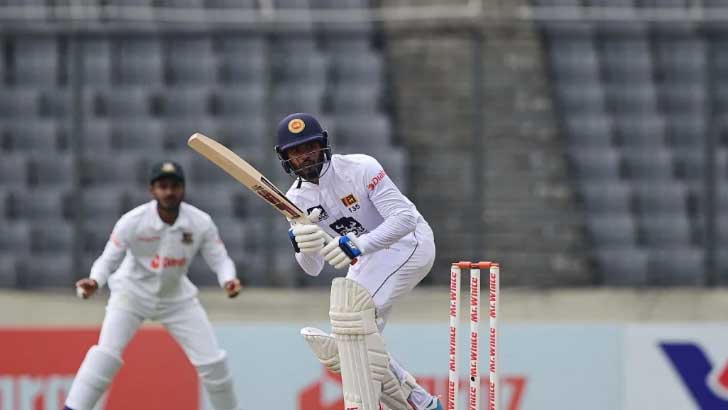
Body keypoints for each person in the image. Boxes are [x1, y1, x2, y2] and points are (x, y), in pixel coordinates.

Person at [277, 113, 442, 410]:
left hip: (410, 244)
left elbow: (404, 219)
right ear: (286, 158)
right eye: (296, 151)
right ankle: (421, 402)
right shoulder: (295, 201)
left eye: (310, 146)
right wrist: (303, 244)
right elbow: (312, 268)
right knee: (351, 338)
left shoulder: (361, 168)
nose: (305, 155)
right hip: (367, 258)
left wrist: (357, 245)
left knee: (352, 324)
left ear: (322, 144)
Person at [64, 161, 242, 410]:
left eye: (175, 186)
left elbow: (220, 259)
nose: (169, 192)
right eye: (163, 186)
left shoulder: (200, 222)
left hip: (176, 298)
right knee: (105, 355)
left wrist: (228, 279)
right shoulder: (132, 221)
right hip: (131, 295)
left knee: (213, 363)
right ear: (152, 190)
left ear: (183, 188)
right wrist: (95, 281)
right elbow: (108, 259)